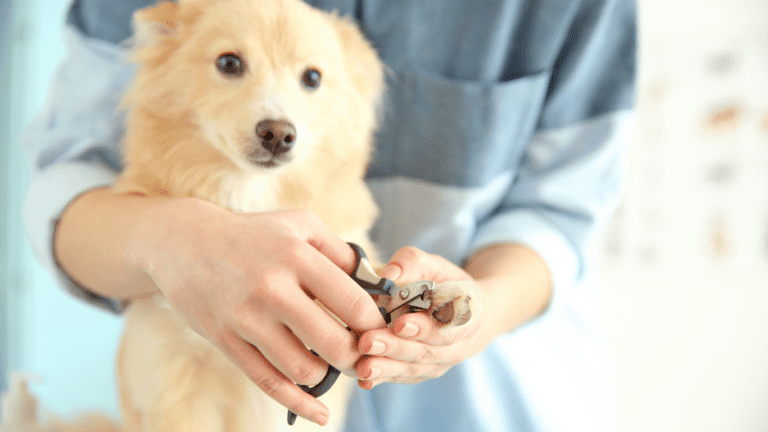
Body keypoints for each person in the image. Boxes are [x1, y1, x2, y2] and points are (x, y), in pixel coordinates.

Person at [22, 0, 636, 430]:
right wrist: (167, 239)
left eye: (311, 78)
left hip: (494, 404)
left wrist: (484, 308)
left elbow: (560, 210)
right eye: (232, 64)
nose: (275, 115)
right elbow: (65, 180)